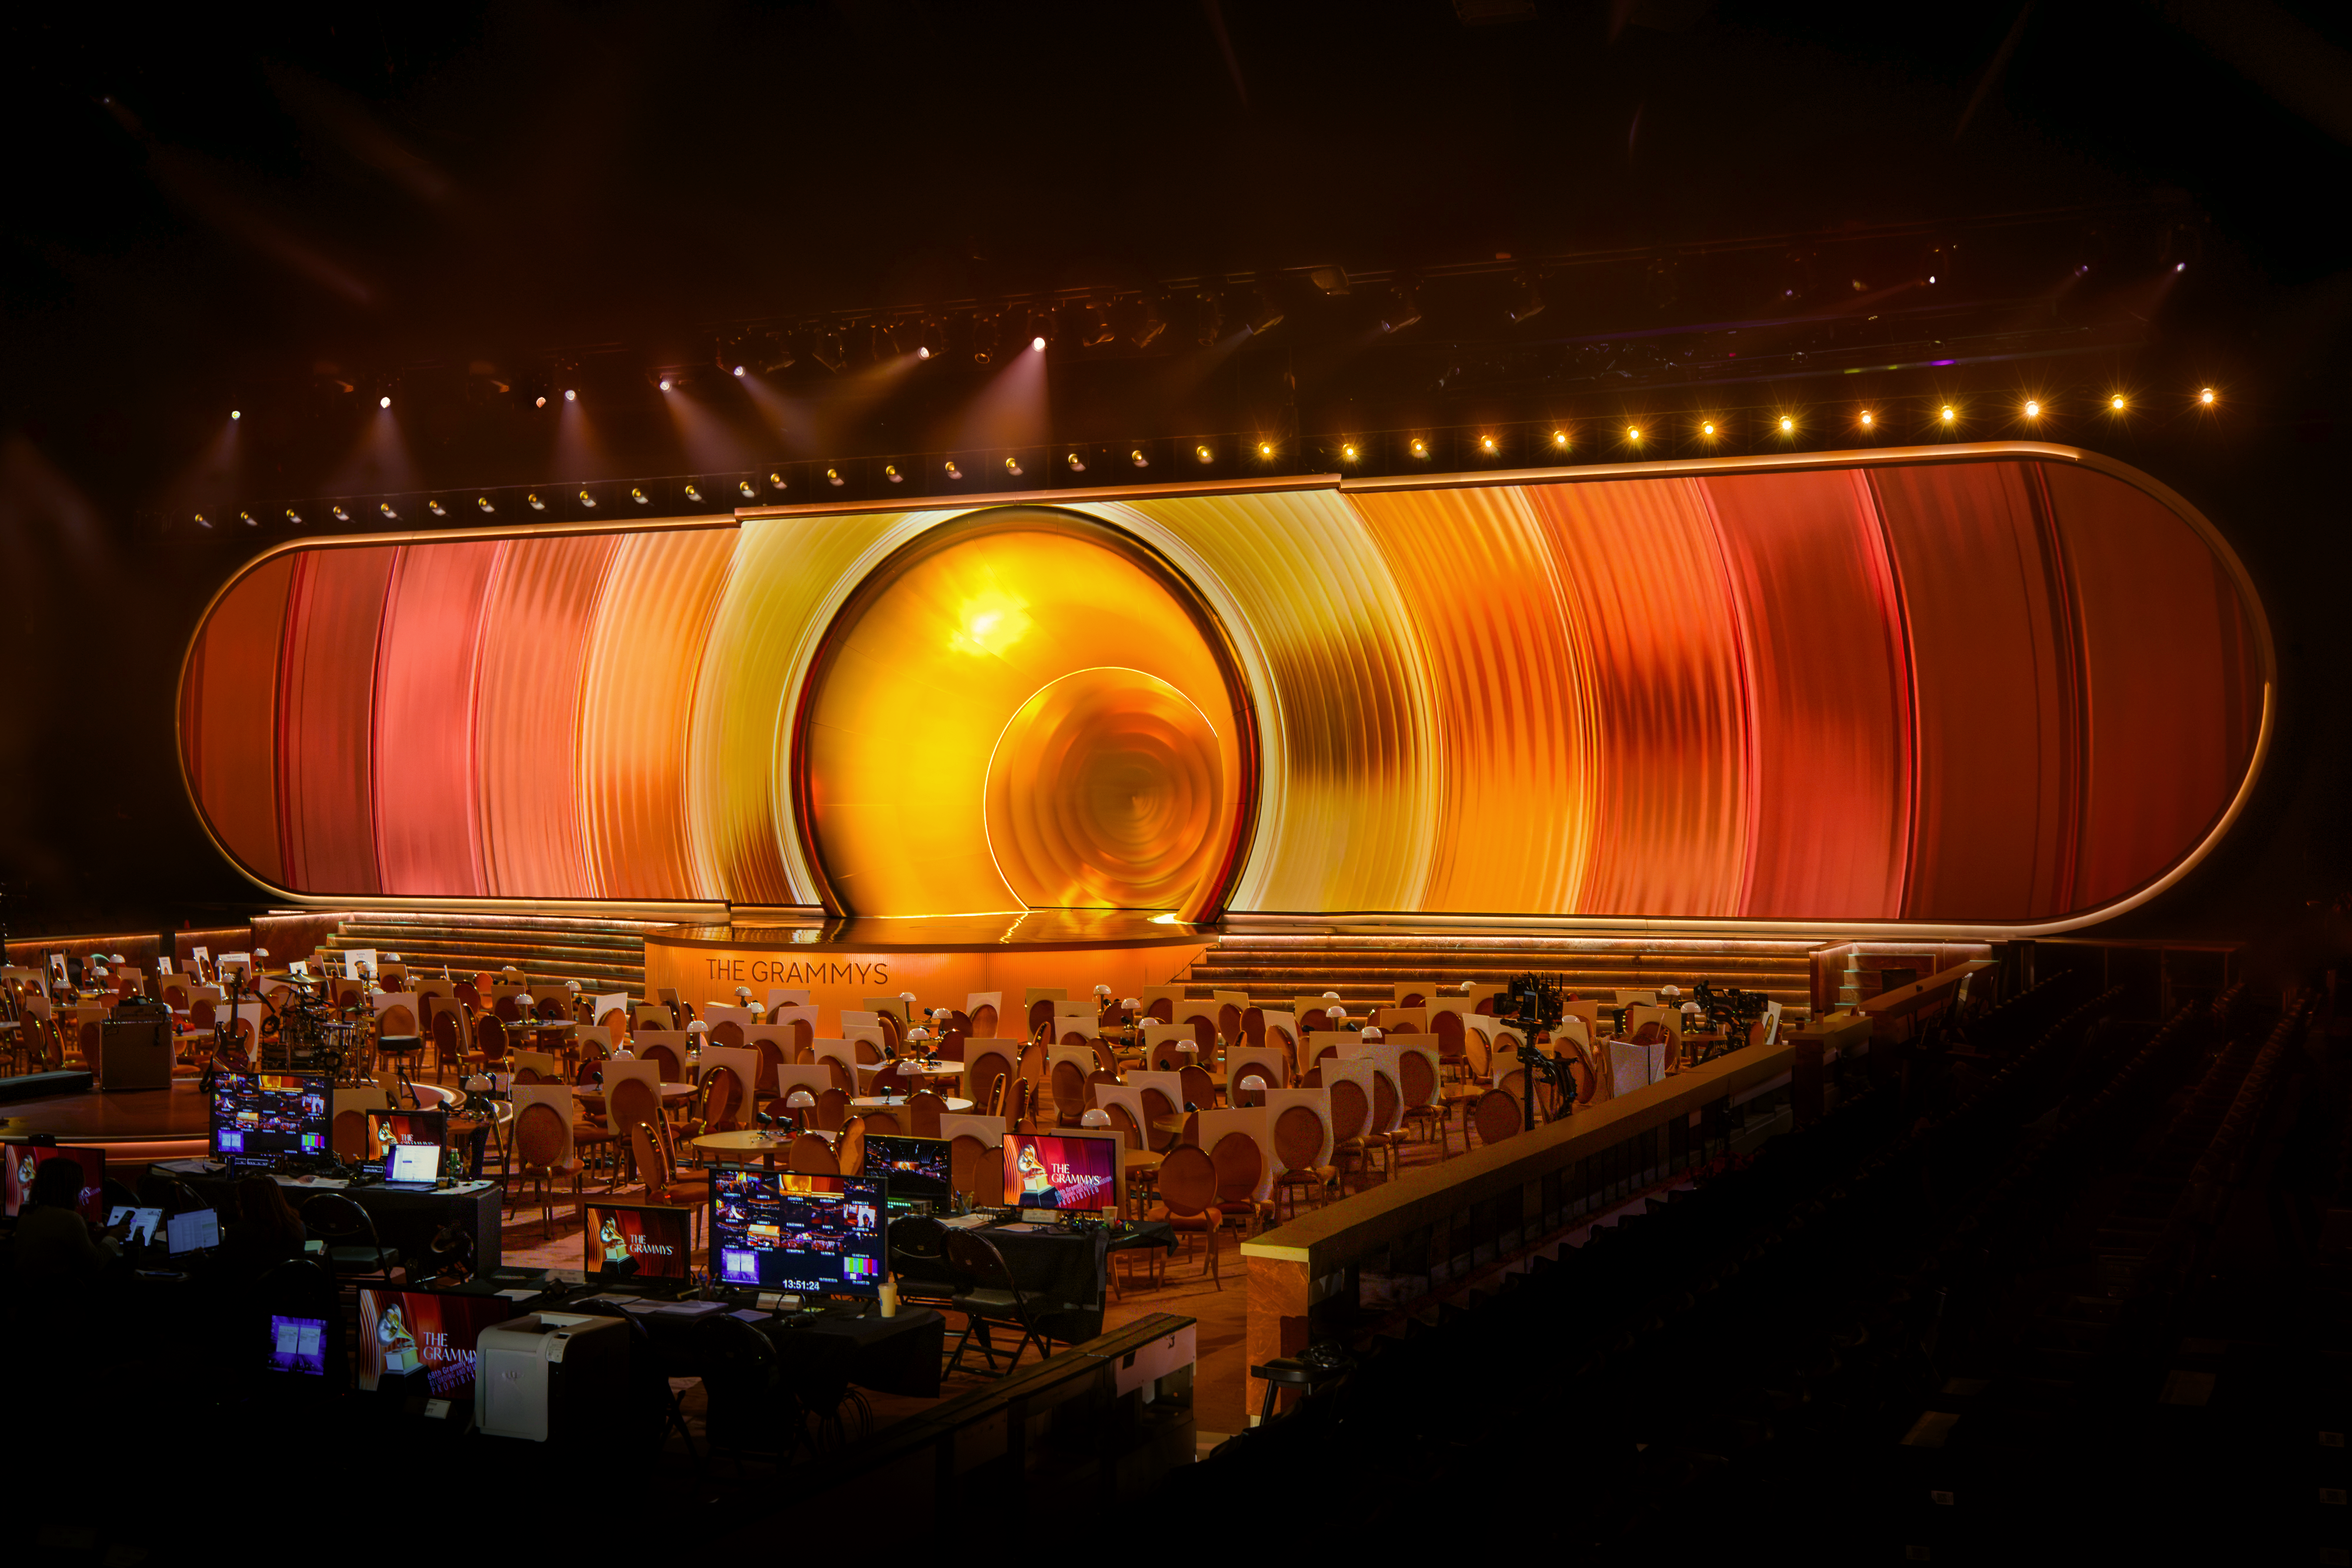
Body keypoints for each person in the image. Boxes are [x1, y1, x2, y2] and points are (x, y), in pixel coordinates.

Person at [12, 1158, 126, 1284]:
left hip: (30, 1297)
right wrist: (113, 1238)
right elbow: (95, 1264)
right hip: (58, 1299)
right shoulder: (71, 1219)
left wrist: (100, 1236)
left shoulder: (27, 1216)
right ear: (72, 1188)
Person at [216, 1173, 306, 1281]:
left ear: (247, 1203)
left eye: (240, 1199)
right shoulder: (297, 1227)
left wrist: (197, 1259)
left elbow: (215, 1270)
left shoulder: (240, 1234)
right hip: (288, 1293)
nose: (238, 1204)